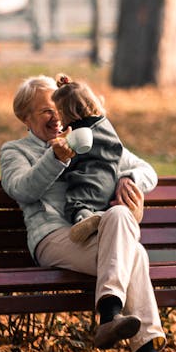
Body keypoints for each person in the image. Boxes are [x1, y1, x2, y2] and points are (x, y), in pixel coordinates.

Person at [0, 74, 166, 352]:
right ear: (26, 117)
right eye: (45, 111)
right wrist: (55, 158)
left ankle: (109, 315)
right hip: (52, 238)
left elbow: (146, 170)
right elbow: (22, 189)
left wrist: (128, 182)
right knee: (135, 255)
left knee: (119, 217)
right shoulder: (15, 151)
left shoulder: (87, 137)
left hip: (96, 231)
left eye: (57, 109)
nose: (56, 117)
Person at [51, 72, 124, 244]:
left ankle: (83, 220)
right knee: (100, 207)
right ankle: (101, 218)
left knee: (76, 204)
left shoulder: (78, 134)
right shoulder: (105, 125)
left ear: (66, 112)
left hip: (89, 181)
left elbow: (67, 159)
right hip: (110, 181)